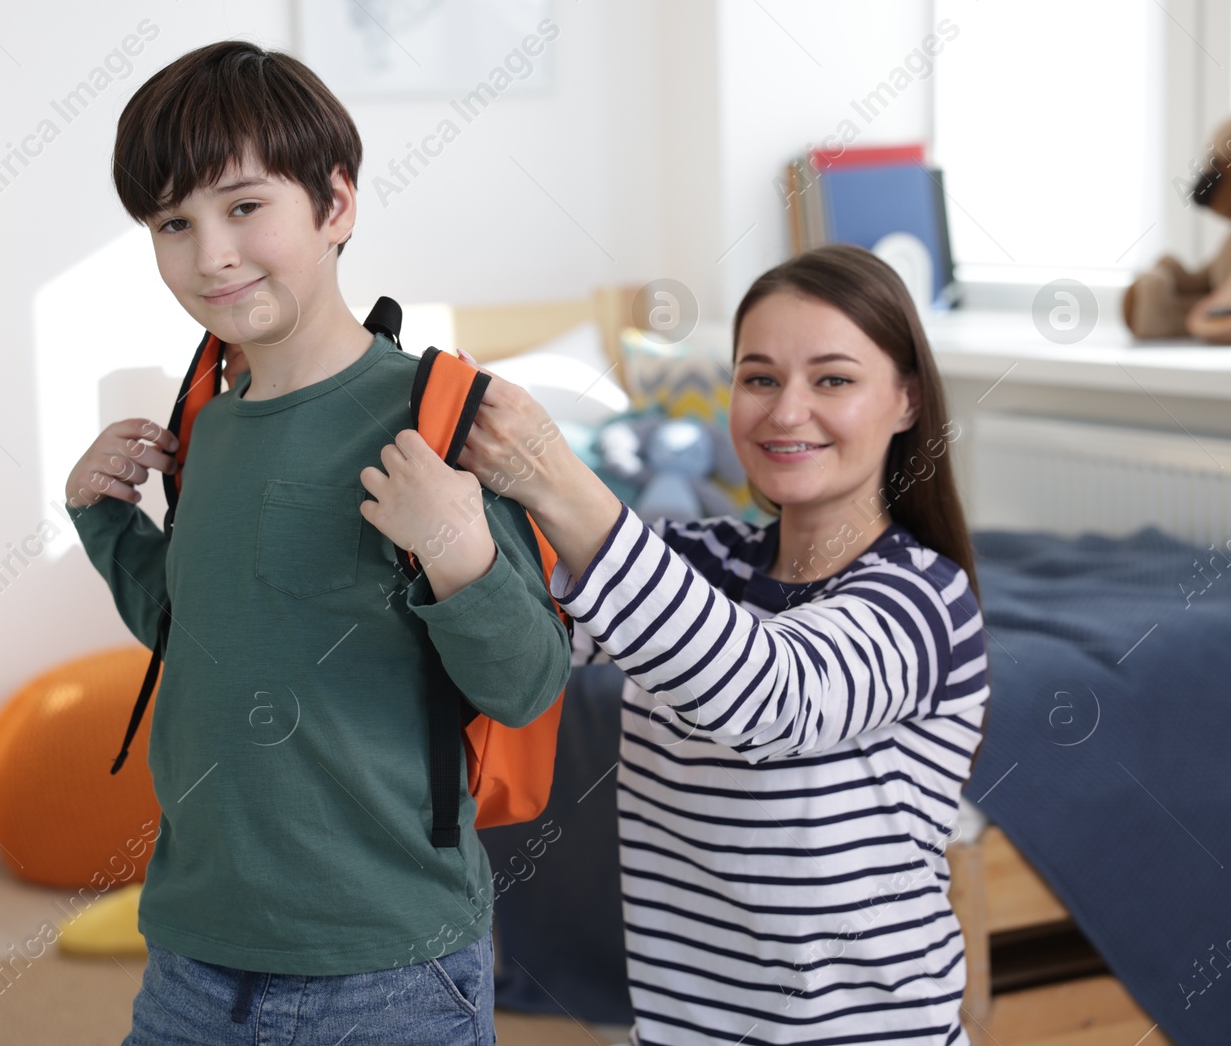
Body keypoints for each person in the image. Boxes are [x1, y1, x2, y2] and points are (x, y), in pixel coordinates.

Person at [63, 40, 570, 1045]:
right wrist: (102, 517)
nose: (210, 253)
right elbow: (195, 623)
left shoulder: (437, 418)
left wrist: (460, 549)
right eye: (173, 222)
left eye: (244, 207)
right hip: (193, 956)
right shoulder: (205, 415)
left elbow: (525, 683)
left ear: (335, 205)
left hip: (390, 968)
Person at [408, 243, 991, 1044]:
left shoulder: (926, 598)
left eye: (833, 379)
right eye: (759, 378)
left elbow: (771, 698)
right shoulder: (697, 558)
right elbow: (516, 635)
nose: (786, 411)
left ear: (907, 400)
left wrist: (553, 472)